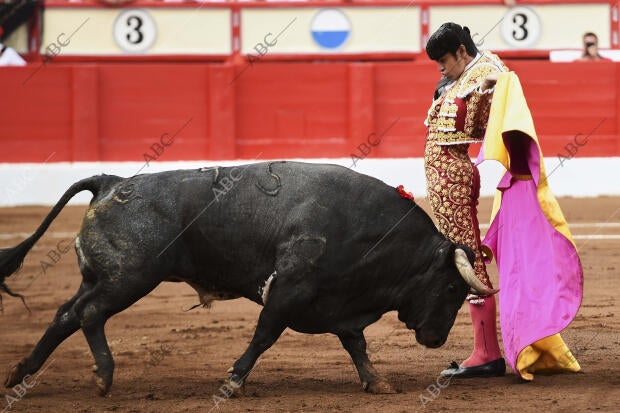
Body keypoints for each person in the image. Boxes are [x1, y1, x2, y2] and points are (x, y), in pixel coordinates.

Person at [423, 22, 508, 378]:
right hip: (448, 175)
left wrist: (491, 82)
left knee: (466, 260)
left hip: (453, 175)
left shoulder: (486, 72)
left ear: (461, 50)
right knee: (461, 257)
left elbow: (502, 84)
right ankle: (485, 349)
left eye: (444, 59)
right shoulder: (460, 78)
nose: (441, 68)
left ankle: (487, 353)